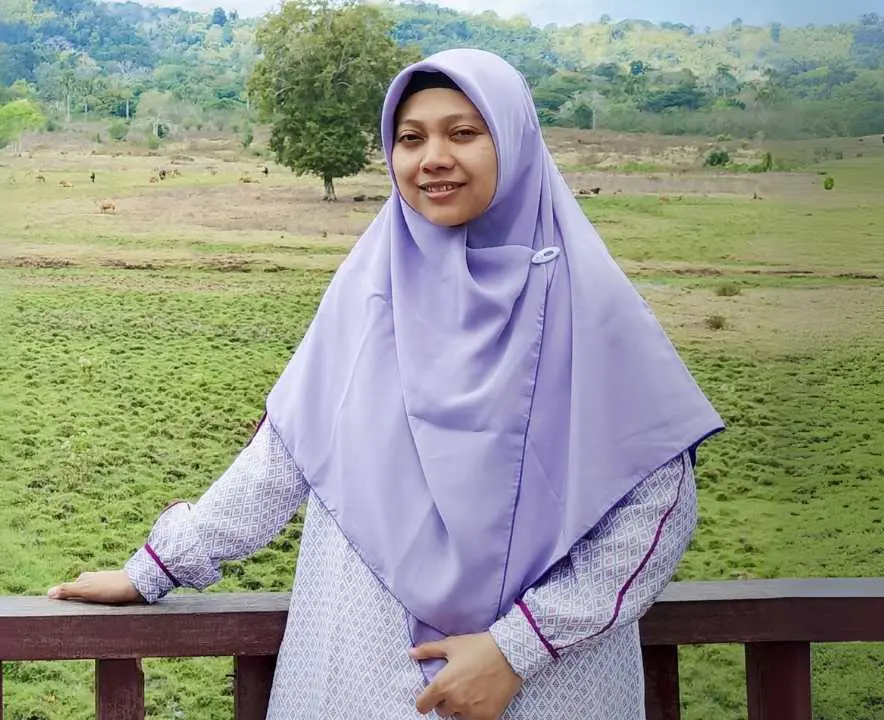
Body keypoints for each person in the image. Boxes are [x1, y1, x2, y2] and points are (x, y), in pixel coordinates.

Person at [48, 48, 724, 720]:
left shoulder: (591, 308)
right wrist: (155, 570)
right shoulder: (370, 292)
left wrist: (517, 648)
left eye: (464, 132)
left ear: (515, 142)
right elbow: (281, 460)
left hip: (544, 687)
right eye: (410, 138)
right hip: (363, 667)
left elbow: (655, 509)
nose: (433, 158)